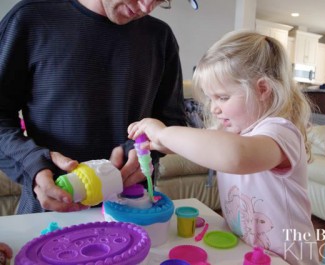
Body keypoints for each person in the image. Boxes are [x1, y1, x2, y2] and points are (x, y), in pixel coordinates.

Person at [128, 30, 319, 265]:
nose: (214, 108)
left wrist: (164, 133)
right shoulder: (231, 133)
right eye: (211, 99)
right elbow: (207, 146)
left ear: (262, 90)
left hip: (288, 259)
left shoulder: (280, 132)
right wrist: (167, 145)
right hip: (246, 251)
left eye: (222, 97)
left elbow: (236, 155)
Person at [0, 0, 197, 214]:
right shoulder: (30, 19)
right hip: (50, 212)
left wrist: (143, 148)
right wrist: (33, 164)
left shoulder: (160, 36)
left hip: (132, 211)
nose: (147, 6)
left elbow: (171, 121)